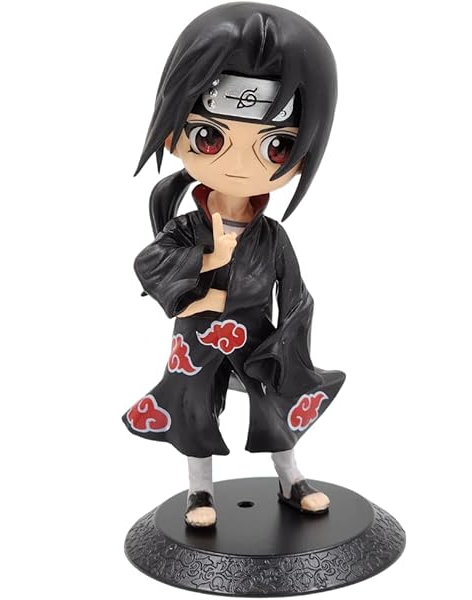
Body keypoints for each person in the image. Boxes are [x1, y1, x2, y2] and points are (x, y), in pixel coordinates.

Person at [122, 2, 346, 528]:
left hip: (256, 336)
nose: (240, 164)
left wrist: (288, 345)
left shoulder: (272, 237)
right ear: (174, 134)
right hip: (196, 335)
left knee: (274, 406)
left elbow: (297, 295)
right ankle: (199, 492)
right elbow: (150, 266)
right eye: (210, 137)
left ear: (301, 158)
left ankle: (291, 480)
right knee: (192, 408)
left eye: (276, 146)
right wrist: (209, 263)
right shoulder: (185, 229)